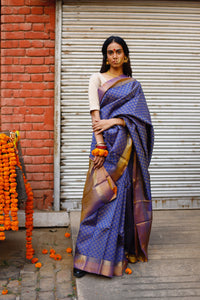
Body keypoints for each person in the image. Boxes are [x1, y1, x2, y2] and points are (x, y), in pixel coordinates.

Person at [73, 36, 154, 278]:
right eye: (110, 52)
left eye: (118, 51)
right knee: (95, 200)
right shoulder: (96, 79)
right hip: (103, 146)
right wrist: (99, 146)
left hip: (125, 150)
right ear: (105, 56)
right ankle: (83, 260)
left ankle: (110, 256)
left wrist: (115, 120)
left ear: (125, 56)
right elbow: (94, 114)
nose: (114, 56)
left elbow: (141, 121)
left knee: (117, 201)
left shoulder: (133, 86)